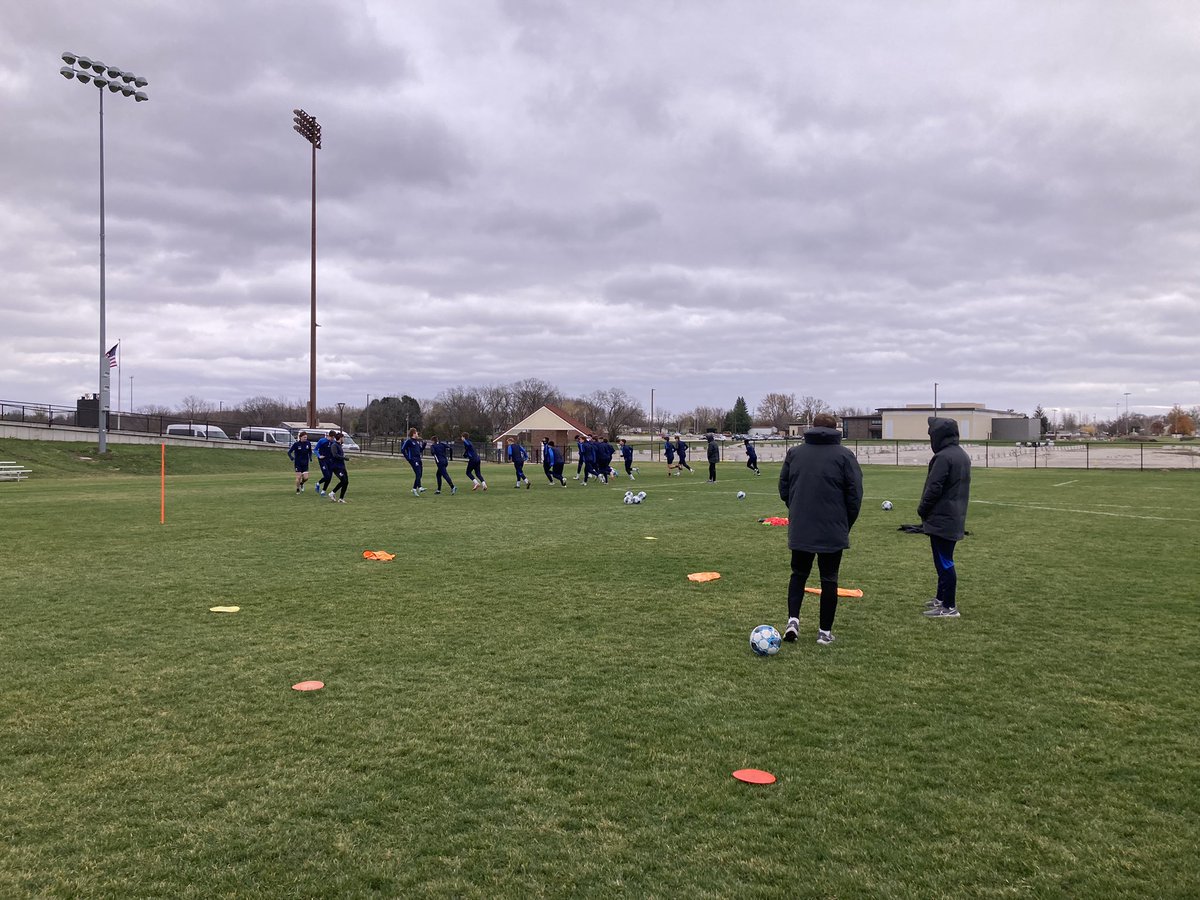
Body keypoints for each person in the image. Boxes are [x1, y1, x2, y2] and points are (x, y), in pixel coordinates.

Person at [778, 413, 863, 645]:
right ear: (835, 429)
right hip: (832, 528)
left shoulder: (794, 453)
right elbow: (855, 495)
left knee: (798, 574)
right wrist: (845, 523)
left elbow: (784, 488)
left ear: (812, 428)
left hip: (802, 526)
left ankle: (793, 620)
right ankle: (824, 632)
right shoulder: (845, 455)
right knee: (829, 578)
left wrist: (798, 510)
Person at [919, 417, 972, 618]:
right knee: (942, 561)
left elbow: (934, 488)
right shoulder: (961, 455)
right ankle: (941, 598)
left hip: (943, 517)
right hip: (954, 515)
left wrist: (922, 509)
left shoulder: (943, 457)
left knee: (944, 562)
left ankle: (949, 606)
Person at [401, 427, 426, 497]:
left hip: (418, 459)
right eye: (416, 432)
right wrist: (408, 458)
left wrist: (424, 445)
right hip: (413, 459)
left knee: (420, 473)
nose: (417, 433)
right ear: (413, 433)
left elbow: (420, 450)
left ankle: (420, 487)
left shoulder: (416, 441)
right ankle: (415, 488)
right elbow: (402, 450)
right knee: (418, 473)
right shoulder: (409, 441)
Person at [326, 431, 350, 503]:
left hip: (342, 466)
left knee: (346, 482)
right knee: (343, 480)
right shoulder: (334, 445)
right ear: (340, 438)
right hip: (336, 467)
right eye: (343, 438)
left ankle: (341, 498)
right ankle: (332, 493)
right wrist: (344, 458)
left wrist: (344, 458)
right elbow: (335, 455)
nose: (344, 439)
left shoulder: (340, 445)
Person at [314, 430, 336, 496]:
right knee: (327, 476)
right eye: (332, 437)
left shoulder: (333, 442)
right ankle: (318, 483)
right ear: (329, 436)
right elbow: (315, 449)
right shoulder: (322, 441)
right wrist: (319, 456)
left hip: (330, 461)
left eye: (334, 438)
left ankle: (323, 491)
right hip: (323, 460)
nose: (333, 439)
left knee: (330, 477)